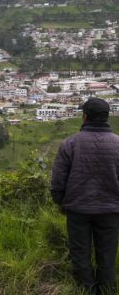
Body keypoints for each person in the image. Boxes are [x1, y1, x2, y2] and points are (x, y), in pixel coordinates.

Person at [51, 97, 119, 295]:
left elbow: (58, 180)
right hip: (111, 210)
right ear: (107, 117)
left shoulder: (70, 144)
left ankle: (87, 290)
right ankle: (107, 291)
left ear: (85, 117)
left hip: (78, 209)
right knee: (106, 255)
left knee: (80, 254)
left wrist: (61, 201)